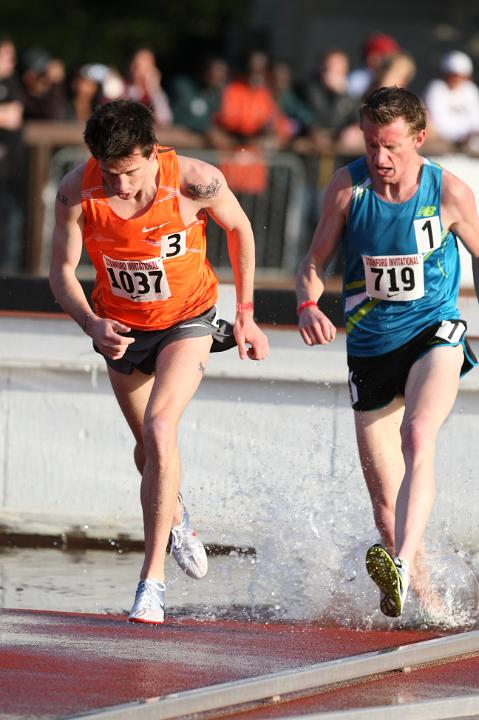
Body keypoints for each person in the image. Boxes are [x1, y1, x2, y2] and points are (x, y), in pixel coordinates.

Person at [49, 99, 269, 624]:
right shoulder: (75, 191)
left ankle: (152, 583)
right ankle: (176, 515)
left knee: (161, 425)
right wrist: (91, 325)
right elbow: (60, 271)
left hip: (187, 318)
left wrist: (245, 314)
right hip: (121, 327)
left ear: (153, 153)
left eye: (130, 173)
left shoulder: (195, 180)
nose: (120, 186)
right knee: (146, 447)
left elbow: (240, 231)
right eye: (110, 173)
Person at [296, 86, 479, 618]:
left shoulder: (449, 193)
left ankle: (397, 563)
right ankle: (431, 608)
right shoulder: (348, 188)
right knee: (384, 510)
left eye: (392, 147)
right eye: (371, 144)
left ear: (419, 139)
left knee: (416, 434)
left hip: (433, 333)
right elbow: (313, 263)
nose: (379, 158)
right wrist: (308, 304)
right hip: (371, 349)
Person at [423, 50, 479, 151]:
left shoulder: (471, 90)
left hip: (470, 141)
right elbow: (439, 123)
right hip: (444, 141)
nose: (457, 80)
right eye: (453, 75)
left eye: (461, 76)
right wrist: (460, 136)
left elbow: (475, 120)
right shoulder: (436, 89)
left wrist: (470, 135)